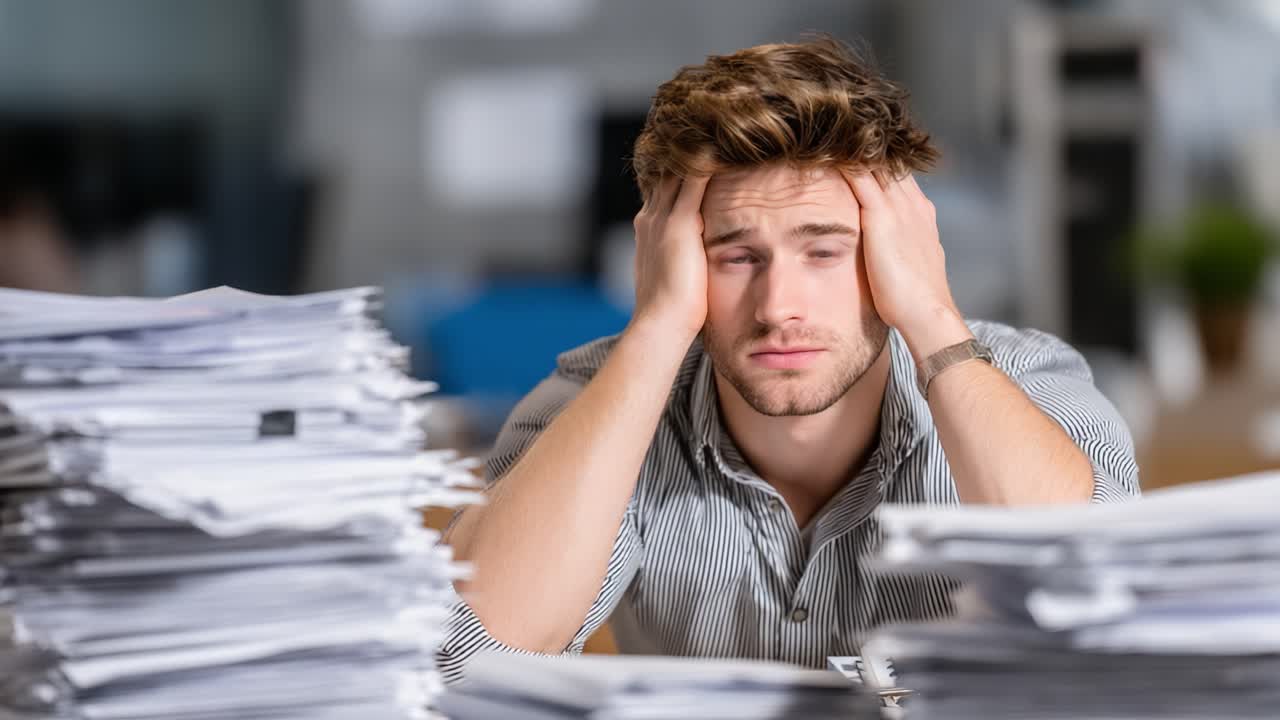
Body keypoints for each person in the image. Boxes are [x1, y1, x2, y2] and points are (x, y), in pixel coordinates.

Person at [439, 37, 1140, 681]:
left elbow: (1104, 615)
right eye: (736, 256)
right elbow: (466, 659)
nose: (778, 307)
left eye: (824, 251)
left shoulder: (1032, 385)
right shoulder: (589, 404)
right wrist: (655, 325)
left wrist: (931, 314)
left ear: (900, 248)